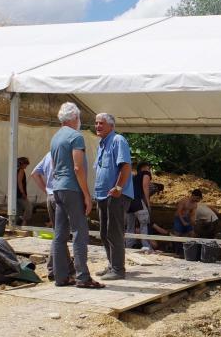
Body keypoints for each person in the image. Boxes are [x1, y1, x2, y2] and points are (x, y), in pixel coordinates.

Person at [50, 102, 101, 289]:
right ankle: (83, 277)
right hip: (72, 188)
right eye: (79, 117)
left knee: (60, 233)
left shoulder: (55, 138)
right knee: (80, 232)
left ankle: (60, 276)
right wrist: (87, 194)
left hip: (58, 188)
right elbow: (78, 167)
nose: (79, 121)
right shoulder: (75, 137)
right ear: (74, 118)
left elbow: (54, 166)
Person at [93, 112, 133, 281]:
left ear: (111, 125)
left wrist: (117, 188)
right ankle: (112, 265)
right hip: (102, 195)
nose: (97, 126)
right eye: (96, 123)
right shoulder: (102, 144)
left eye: (101, 123)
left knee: (114, 232)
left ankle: (118, 269)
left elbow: (125, 167)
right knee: (104, 233)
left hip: (117, 195)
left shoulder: (118, 140)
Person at [126, 160, 154, 250]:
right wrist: (148, 204)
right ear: (144, 168)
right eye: (149, 168)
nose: (149, 170)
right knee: (144, 223)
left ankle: (129, 246)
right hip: (138, 202)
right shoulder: (146, 174)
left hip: (129, 202)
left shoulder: (134, 177)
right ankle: (146, 246)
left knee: (130, 226)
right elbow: (145, 187)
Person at [30, 152, 55, 226]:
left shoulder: (49, 154)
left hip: (51, 196)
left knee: (58, 229)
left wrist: (47, 190)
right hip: (66, 195)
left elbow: (34, 174)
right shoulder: (70, 152)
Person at [16, 157, 33, 226]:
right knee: (29, 207)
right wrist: (23, 193)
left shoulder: (16, 170)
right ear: (22, 164)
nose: (26, 166)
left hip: (16, 194)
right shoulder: (21, 170)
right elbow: (19, 182)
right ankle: (24, 222)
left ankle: (17, 225)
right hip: (20, 194)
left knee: (18, 210)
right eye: (26, 164)